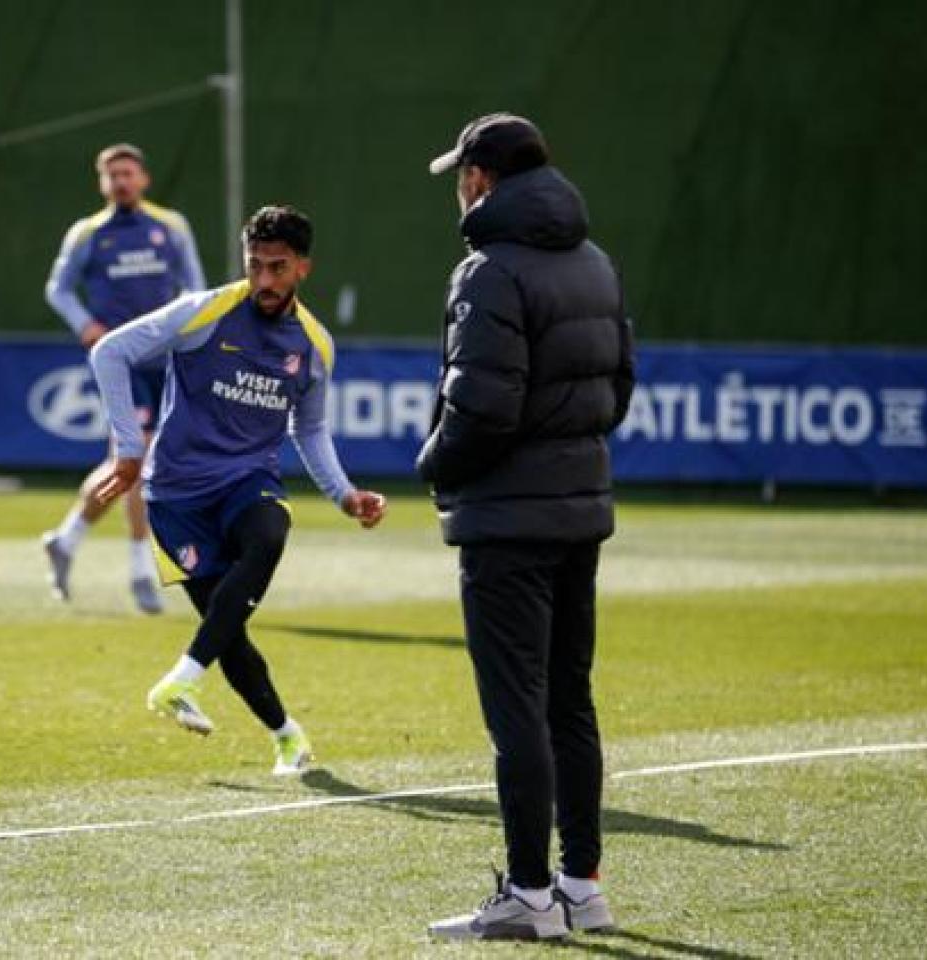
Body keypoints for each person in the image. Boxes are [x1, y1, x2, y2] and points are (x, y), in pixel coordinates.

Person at [417, 116, 634, 941]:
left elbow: (481, 405)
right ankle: (583, 886)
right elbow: (618, 390)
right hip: (579, 507)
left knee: (517, 711)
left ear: (482, 176)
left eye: (460, 172)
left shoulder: (488, 270)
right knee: (569, 701)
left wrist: (433, 463)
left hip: (506, 519)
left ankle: (531, 897)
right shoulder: (595, 262)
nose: (456, 186)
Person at [88, 205, 387, 775]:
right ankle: (287, 735)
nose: (265, 282)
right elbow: (110, 352)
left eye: (278, 268)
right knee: (227, 630)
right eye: (255, 266)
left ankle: (180, 681)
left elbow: (311, 427)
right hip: (176, 496)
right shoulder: (207, 311)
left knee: (270, 531)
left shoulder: (315, 345)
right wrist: (129, 449)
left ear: (304, 268)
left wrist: (344, 494)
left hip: (247, 480)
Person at [42, 143, 206, 614]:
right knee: (139, 458)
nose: (121, 182)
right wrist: (84, 325)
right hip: (121, 362)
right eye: (112, 175)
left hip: (166, 358)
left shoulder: (171, 227)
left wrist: (191, 335)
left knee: (126, 463)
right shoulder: (88, 234)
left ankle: (67, 538)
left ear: (144, 179)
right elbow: (57, 288)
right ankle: (140, 570)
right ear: (102, 183)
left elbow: (193, 287)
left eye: (128, 173)